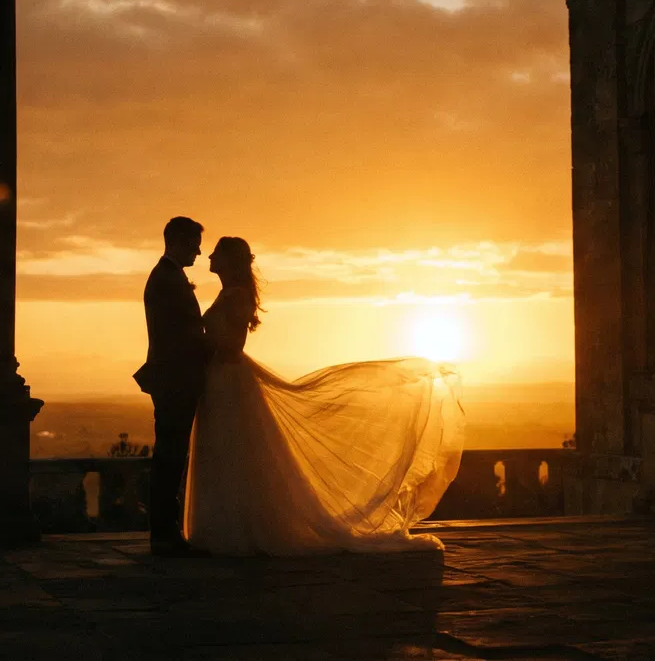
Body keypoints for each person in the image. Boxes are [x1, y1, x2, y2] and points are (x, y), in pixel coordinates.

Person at [183, 236, 464, 556]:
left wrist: (202, 343)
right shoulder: (229, 294)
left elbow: (233, 345)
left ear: (229, 260)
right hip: (222, 378)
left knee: (232, 450)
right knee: (227, 451)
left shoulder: (236, 296)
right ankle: (226, 528)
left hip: (229, 379)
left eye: (216, 252)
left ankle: (236, 530)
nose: (209, 256)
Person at [132, 217, 213, 557]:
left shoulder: (168, 277)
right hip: (175, 381)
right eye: (194, 242)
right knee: (170, 455)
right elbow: (180, 337)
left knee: (172, 454)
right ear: (178, 240)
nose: (198, 250)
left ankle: (165, 532)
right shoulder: (166, 279)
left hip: (174, 379)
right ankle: (164, 534)